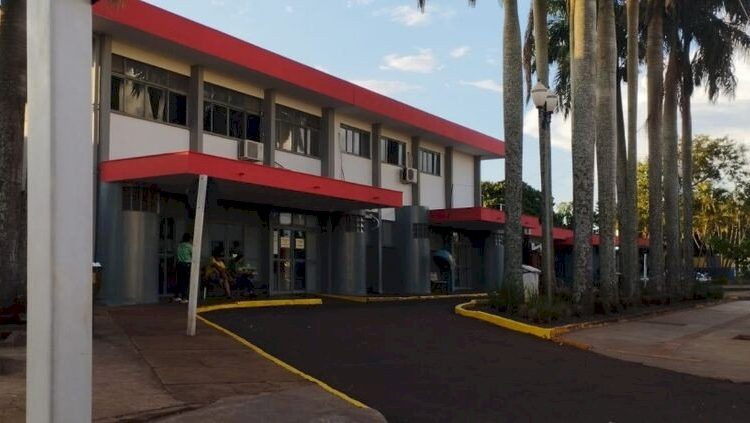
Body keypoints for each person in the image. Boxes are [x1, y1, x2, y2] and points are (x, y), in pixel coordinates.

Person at [175, 233, 192, 304]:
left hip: (179, 264)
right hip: (187, 265)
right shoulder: (189, 246)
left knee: (180, 280)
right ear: (189, 239)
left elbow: (176, 254)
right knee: (186, 281)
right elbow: (193, 254)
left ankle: (177, 296)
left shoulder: (179, 246)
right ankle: (184, 297)